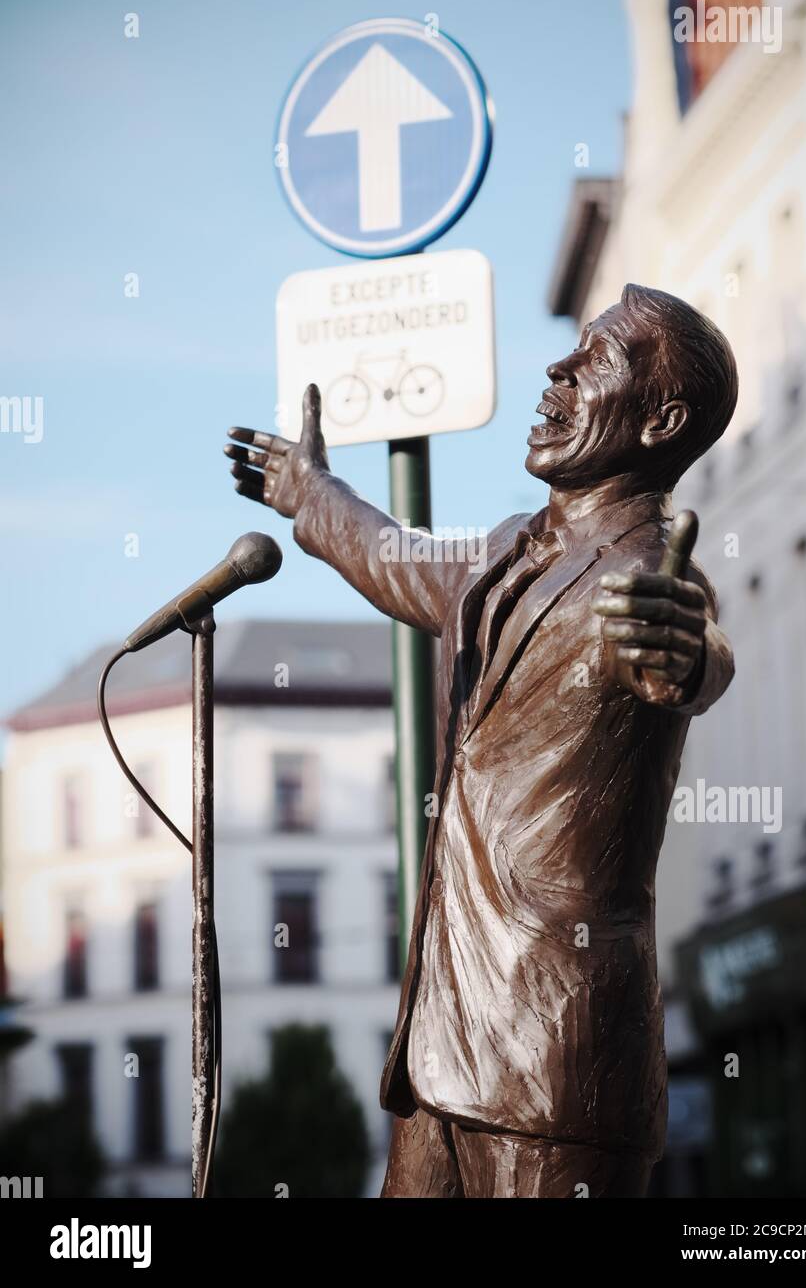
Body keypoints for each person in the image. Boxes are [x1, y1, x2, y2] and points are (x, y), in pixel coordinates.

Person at [224, 282, 738, 1198]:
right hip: (439, 1054)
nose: (559, 368)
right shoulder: (504, 550)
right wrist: (311, 491)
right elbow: (394, 559)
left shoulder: (651, 581)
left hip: (559, 1066)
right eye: (573, 346)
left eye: (598, 358)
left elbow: (693, 658)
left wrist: (683, 650)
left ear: (662, 422)